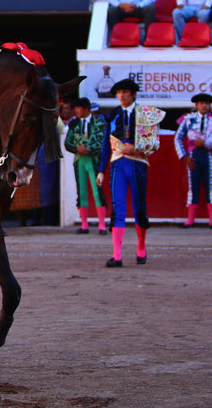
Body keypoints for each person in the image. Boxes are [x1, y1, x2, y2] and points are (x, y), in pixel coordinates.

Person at [97, 78, 164, 267]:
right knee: (118, 209)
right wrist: (101, 170)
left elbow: (154, 142)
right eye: (119, 92)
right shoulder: (112, 115)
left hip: (137, 164)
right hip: (118, 163)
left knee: (139, 208)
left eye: (125, 92)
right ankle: (117, 255)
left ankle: (141, 248)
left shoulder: (145, 114)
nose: (121, 95)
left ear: (133, 94)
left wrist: (136, 147)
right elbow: (105, 146)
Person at [175, 93, 212, 229]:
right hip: (193, 157)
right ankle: (190, 220)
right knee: (193, 187)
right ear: (196, 105)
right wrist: (184, 157)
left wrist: (205, 143)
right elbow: (178, 138)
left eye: (207, 103)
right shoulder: (188, 119)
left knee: (210, 186)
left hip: (209, 157)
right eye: (202, 103)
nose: (205, 105)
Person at [64, 97, 108, 236]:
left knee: (97, 191)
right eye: (75, 108)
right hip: (79, 160)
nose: (76, 111)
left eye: (79, 108)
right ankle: (84, 225)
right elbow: (67, 143)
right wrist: (78, 148)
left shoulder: (99, 122)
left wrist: (87, 149)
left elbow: (102, 140)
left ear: (87, 109)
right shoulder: (74, 124)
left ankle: (102, 225)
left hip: (93, 160)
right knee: (81, 191)